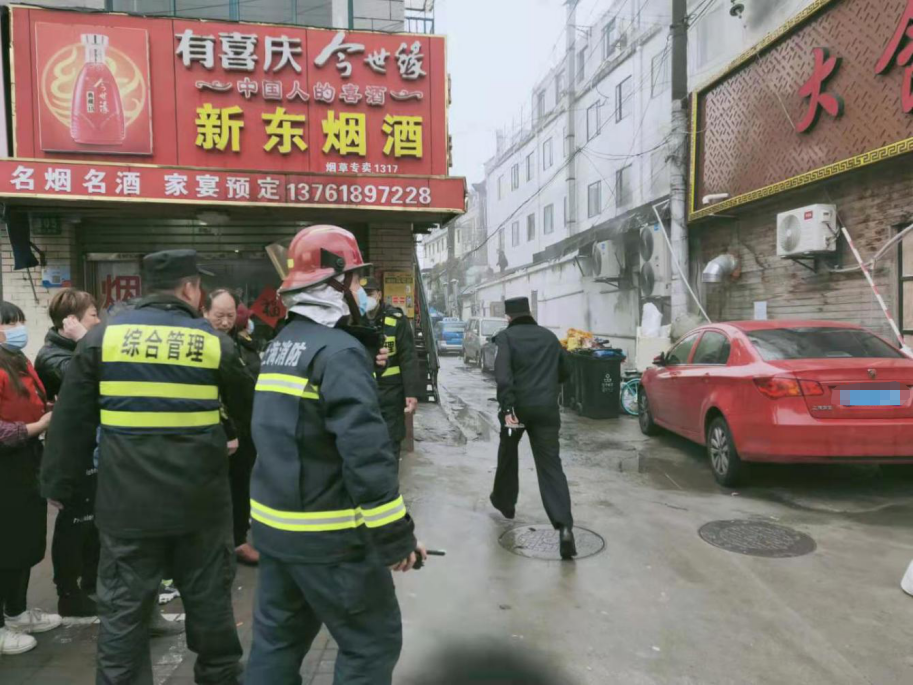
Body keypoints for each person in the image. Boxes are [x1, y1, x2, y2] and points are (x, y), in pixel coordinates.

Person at [42, 250, 250, 685]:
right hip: (200, 507)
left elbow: (71, 421)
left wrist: (59, 485)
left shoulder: (102, 340)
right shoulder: (213, 343)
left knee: (123, 615)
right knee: (210, 607)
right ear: (190, 288)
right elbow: (251, 413)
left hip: (126, 507)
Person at [245, 225, 425, 685]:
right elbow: (366, 455)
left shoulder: (281, 345)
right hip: (331, 539)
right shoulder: (339, 353)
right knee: (371, 644)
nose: (363, 290)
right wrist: (395, 537)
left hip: (276, 533)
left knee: (276, 646)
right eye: (358, 279)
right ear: (337, 282)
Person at [490, 296, 576, 559]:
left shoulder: (506, 338)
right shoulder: (549, 337)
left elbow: (502, 376)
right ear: (529, 312)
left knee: (508, 454)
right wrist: (548, 383)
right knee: (551, 465)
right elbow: (566, 369)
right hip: (546, 411)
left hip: (516, 411)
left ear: (509, 317)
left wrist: (507, 407)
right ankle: (564, 527)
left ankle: (506, 503)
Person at [35, 289, 102, 618]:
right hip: (71, 451)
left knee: (93, 520)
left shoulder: (77, 348)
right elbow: (84, 378)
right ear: (71, 321)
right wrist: (83, 341)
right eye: (93, 315)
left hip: (92, 444)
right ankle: (68, 592)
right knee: (74, 521)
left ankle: (91, 580)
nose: (98, 321)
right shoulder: (52, 356)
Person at [0, 301, 61, 656]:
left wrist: (49, 412)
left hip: (26, 461)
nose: (18, 328)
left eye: (20, 321)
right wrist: (38, 426)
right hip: (5, 467)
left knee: (23, 542)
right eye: (10, 323)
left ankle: (17, 612)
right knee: (5, 546)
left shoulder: (17, 361)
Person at [203, 289, 261, 566]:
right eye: (219, 316)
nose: (225, 322)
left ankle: (238, 540)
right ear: (204, 313)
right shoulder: (200, 346)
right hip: (214, 434)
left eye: (230, 315)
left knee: (241, 488)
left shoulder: (242, 344)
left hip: (245, 432)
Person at [362, 276, 421, 461]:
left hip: (391, 392)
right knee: (365, 443)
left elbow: (408, 357)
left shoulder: (396, 319)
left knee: (390, 442)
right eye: (362, 294)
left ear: (379, 295)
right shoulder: (353, 320)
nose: (366, 298)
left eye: (370, 293)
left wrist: (411, 393)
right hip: (363, 391)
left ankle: (389, 476)